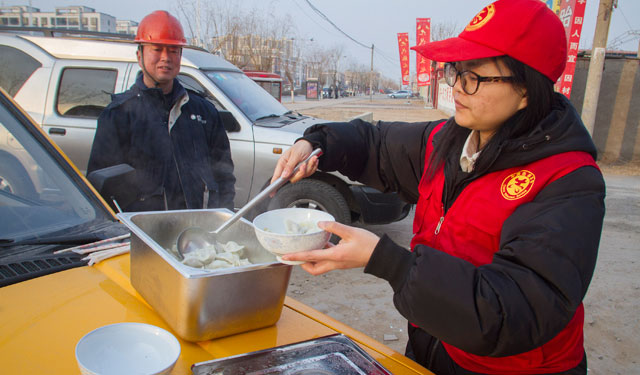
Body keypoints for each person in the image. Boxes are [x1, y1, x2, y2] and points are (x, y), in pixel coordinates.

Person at [270, 0, 605, 374]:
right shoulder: (449, 140)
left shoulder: (568, 181)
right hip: (434, 346)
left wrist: (387, 261)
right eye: (455, 72)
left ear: (526, 89)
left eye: (474, 78)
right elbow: (375, 143)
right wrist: (316, 143)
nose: (457, 89)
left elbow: (514, 310)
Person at [88, 10, 235, 212]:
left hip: (198, 232)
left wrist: (221, 221)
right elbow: (102, 188)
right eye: (157, 49)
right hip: (145, 232)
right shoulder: (119, 115)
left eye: (173, 51)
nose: (166, 58)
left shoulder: (204, 111)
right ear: (140, 55)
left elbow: (224, 175)